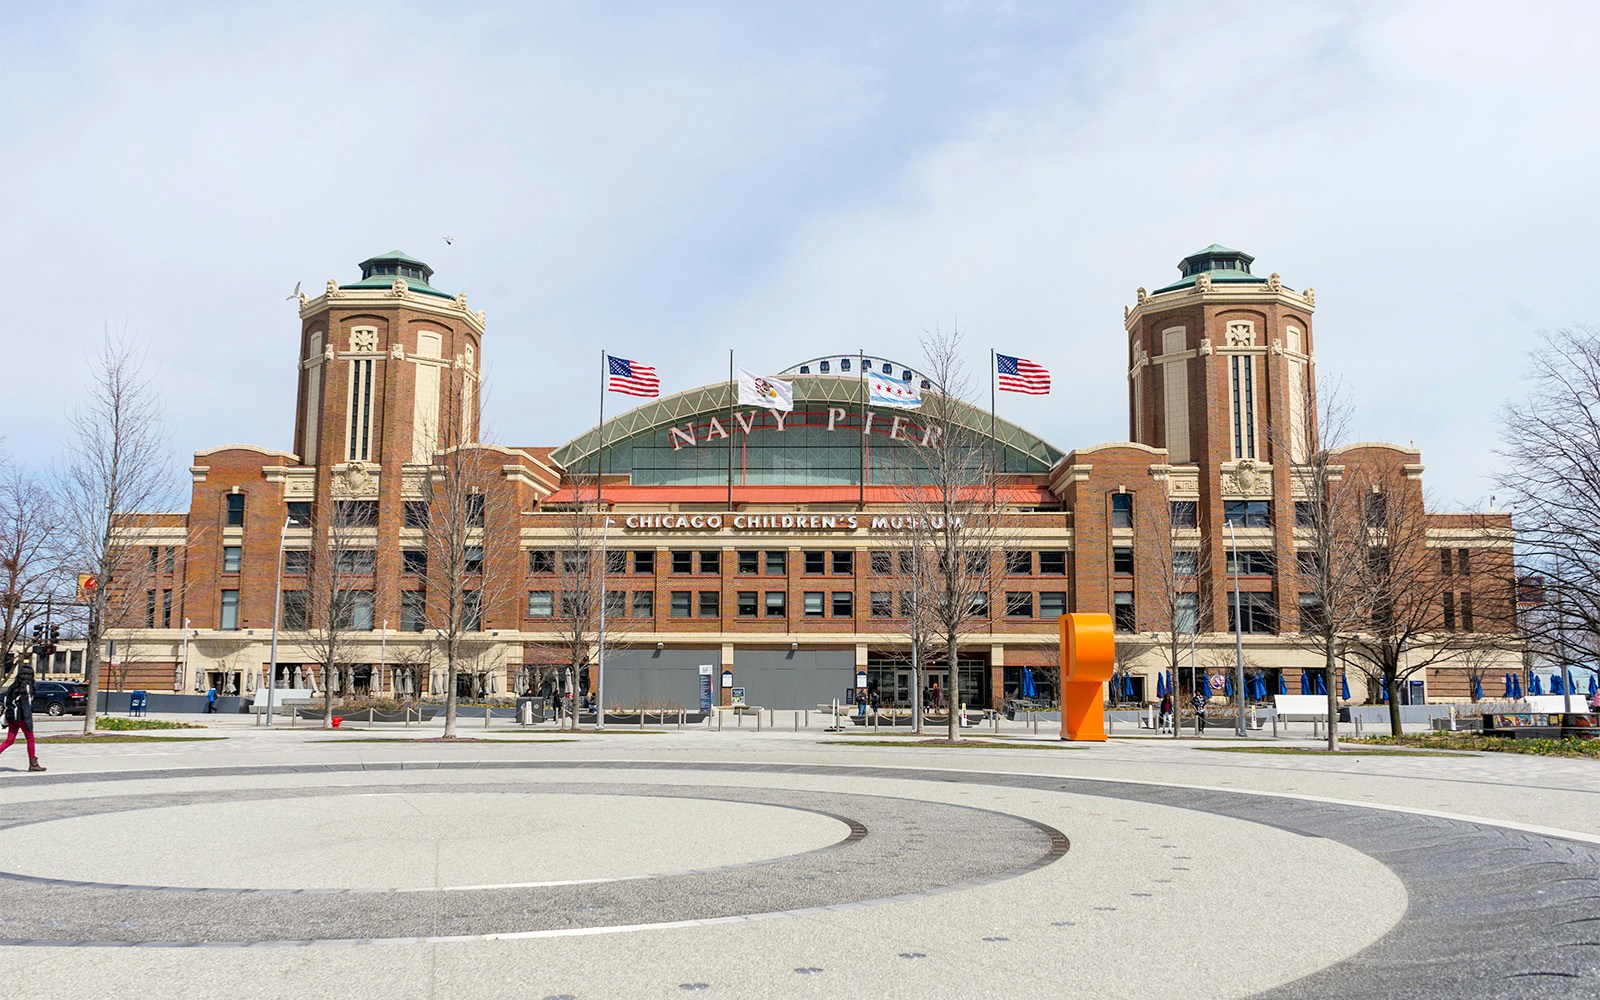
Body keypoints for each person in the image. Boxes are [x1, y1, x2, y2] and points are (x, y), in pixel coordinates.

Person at [1, 666, 44, 772]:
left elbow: (7, 700)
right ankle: (33, 763)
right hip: (22, 717)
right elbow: (26, 705)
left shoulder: (13, 686)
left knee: (9, 740)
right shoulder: (27, 687)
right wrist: (28, 721)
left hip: (11, 716)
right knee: (30, 738)